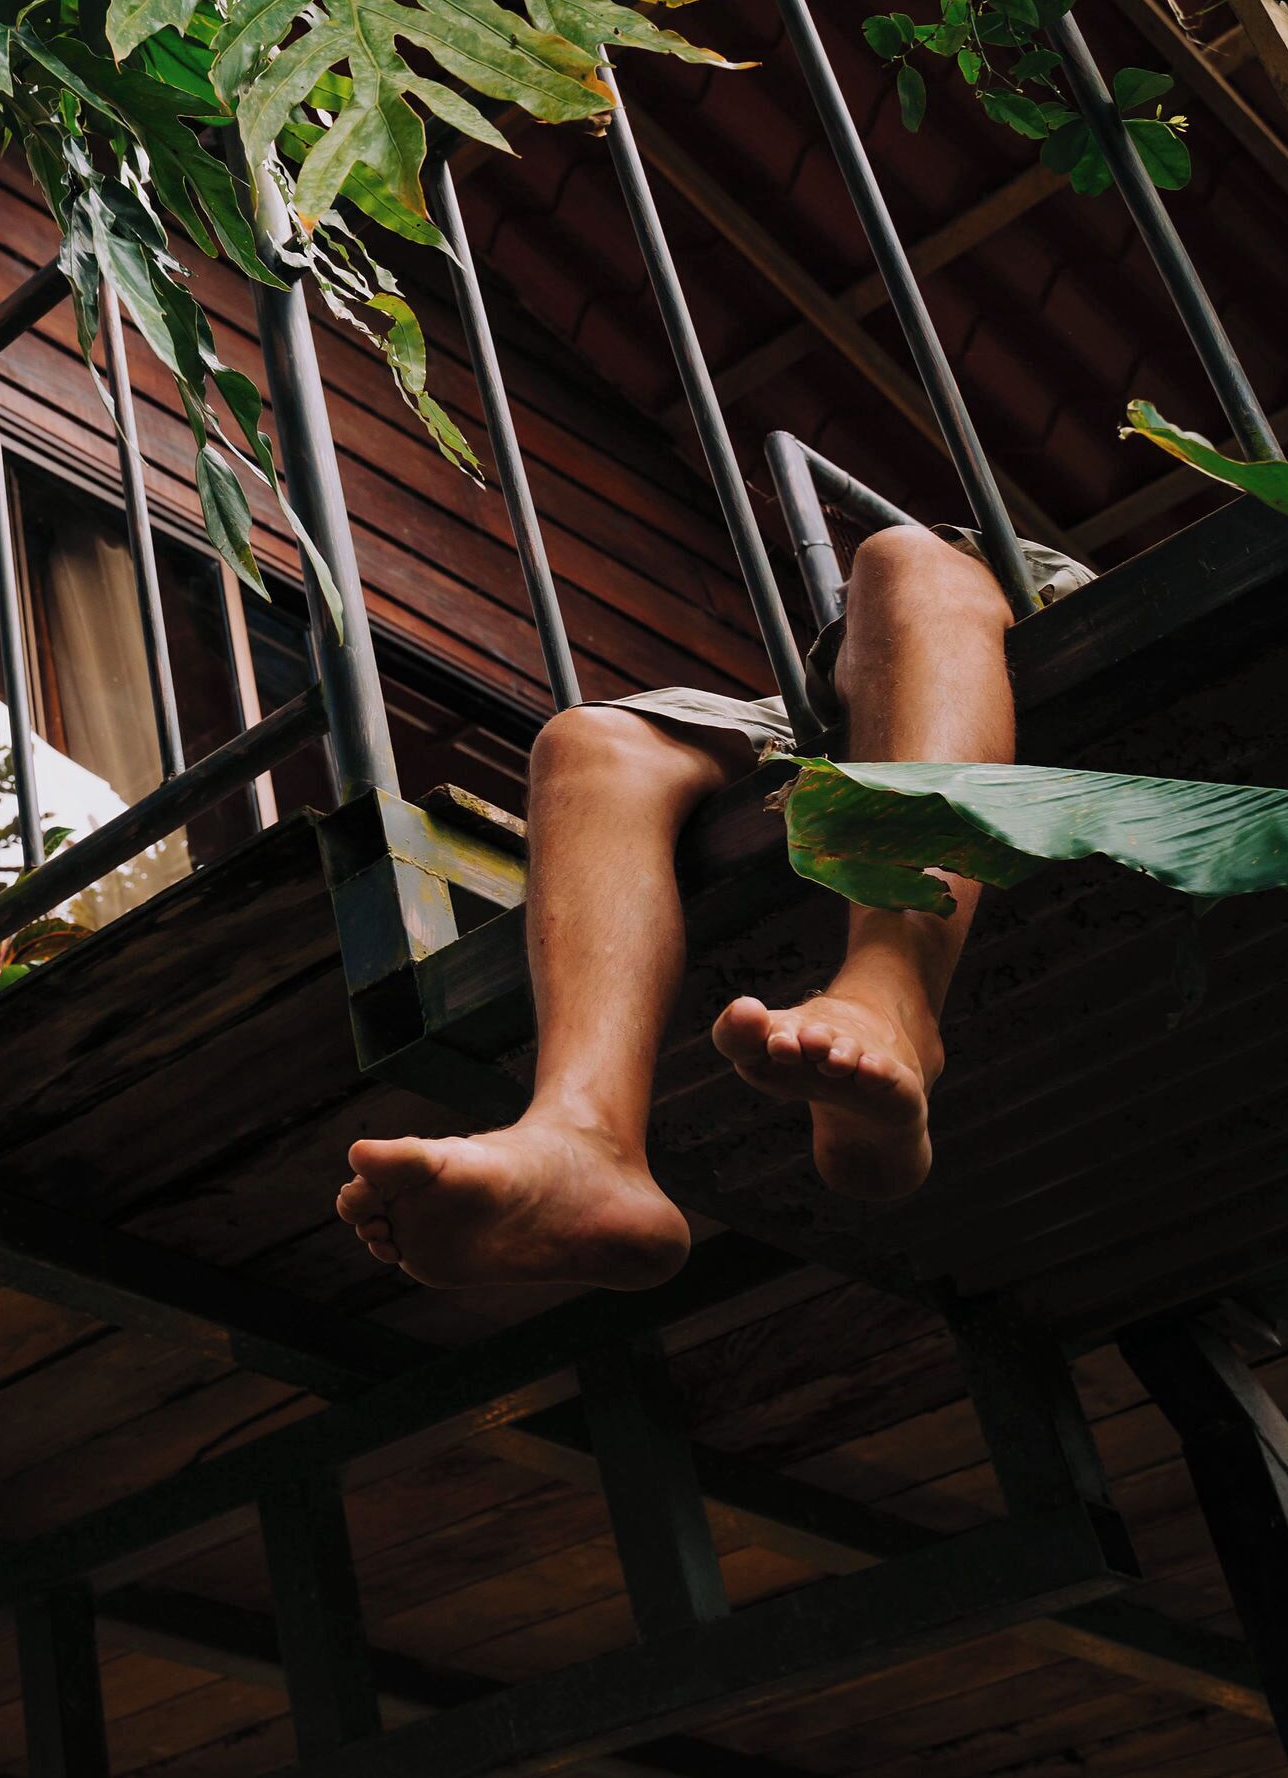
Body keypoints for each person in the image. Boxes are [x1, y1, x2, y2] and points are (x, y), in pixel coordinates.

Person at [334, 523, 1076, 1292]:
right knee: (590, 741)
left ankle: (893, 1000)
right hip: (837, 688)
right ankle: (583, 1139)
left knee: (905, 556)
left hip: (978, 617)